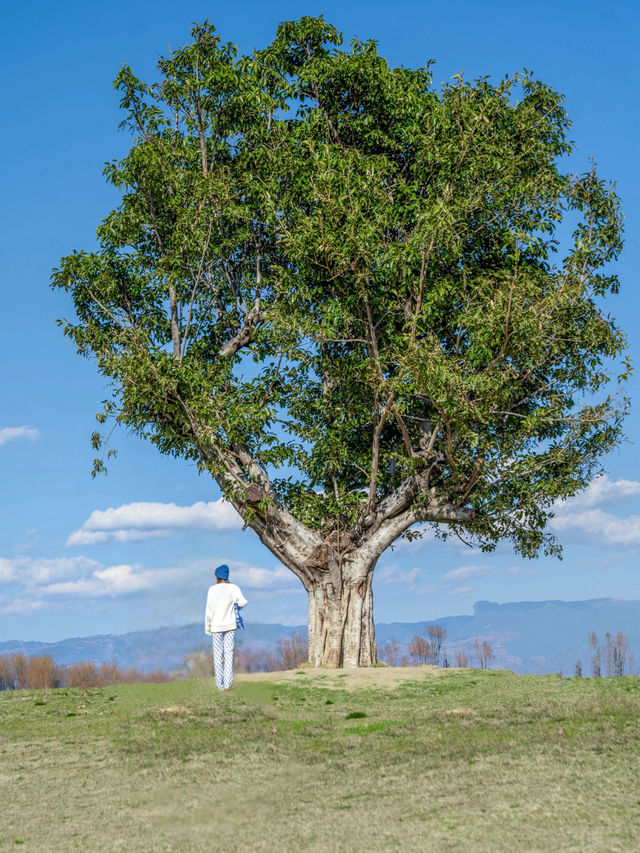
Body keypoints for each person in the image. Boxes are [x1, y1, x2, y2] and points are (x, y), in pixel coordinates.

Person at [204, 564, 247, 691]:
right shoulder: (234, 588)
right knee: (229, 654)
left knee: (217, 655)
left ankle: (220, 685)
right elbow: (243, 601)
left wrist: (208, 627)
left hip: (216, 626)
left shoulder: (212, 589)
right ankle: (228, 684)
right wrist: (235, 608)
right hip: (230, 625)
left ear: (217, 576)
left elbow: (209, 610)